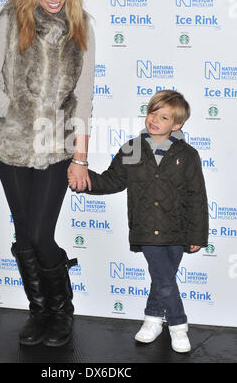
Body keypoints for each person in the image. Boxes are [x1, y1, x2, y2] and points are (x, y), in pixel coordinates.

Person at [0, 0, 95, 347]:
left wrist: (80, 155)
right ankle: (39, 311)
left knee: (43, 234)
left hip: (57, 148)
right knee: (25, 233)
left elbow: (85, 97)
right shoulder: (11, 19)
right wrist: (13, 113)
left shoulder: (81, 26)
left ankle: (61, 312)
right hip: (10, 147)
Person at [69, 90, 209, 353]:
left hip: (179, 230)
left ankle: (153, 318)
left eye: (164, 117)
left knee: (162, 278)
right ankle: (179, 326)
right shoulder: (132, 149)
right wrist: (84, 180)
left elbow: (197, 197)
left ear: (177, 125)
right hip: (147, 229)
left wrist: (197, 236)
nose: (154, 119)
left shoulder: (187, 154)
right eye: (152, 113)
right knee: (164, 278)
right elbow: (112, 180)